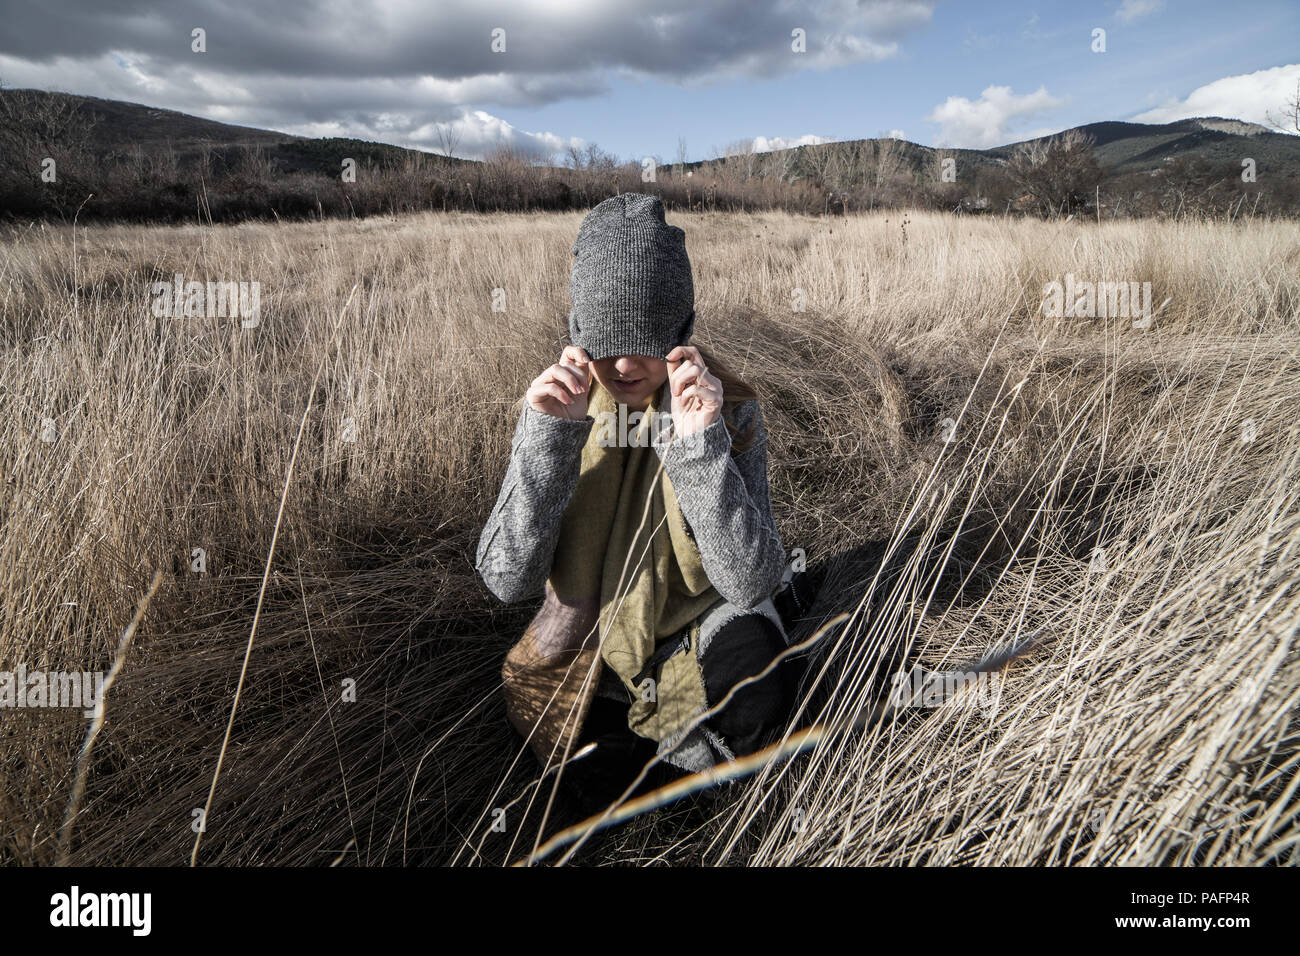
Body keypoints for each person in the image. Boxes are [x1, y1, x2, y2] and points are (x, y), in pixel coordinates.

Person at [475, 193, 816, 814]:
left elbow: (748, 580)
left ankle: (661, 752)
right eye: (608, 338)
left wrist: (699, 443)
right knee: (583, 771)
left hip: (700, 620)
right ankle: (668, 752)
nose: (626, 363)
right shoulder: (563, 403)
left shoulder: (729, 408)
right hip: (595, 642)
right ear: (580, 331)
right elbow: (505, 578)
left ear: (681, 332)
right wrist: (547, 438)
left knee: (757, 688)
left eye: (646, 339)